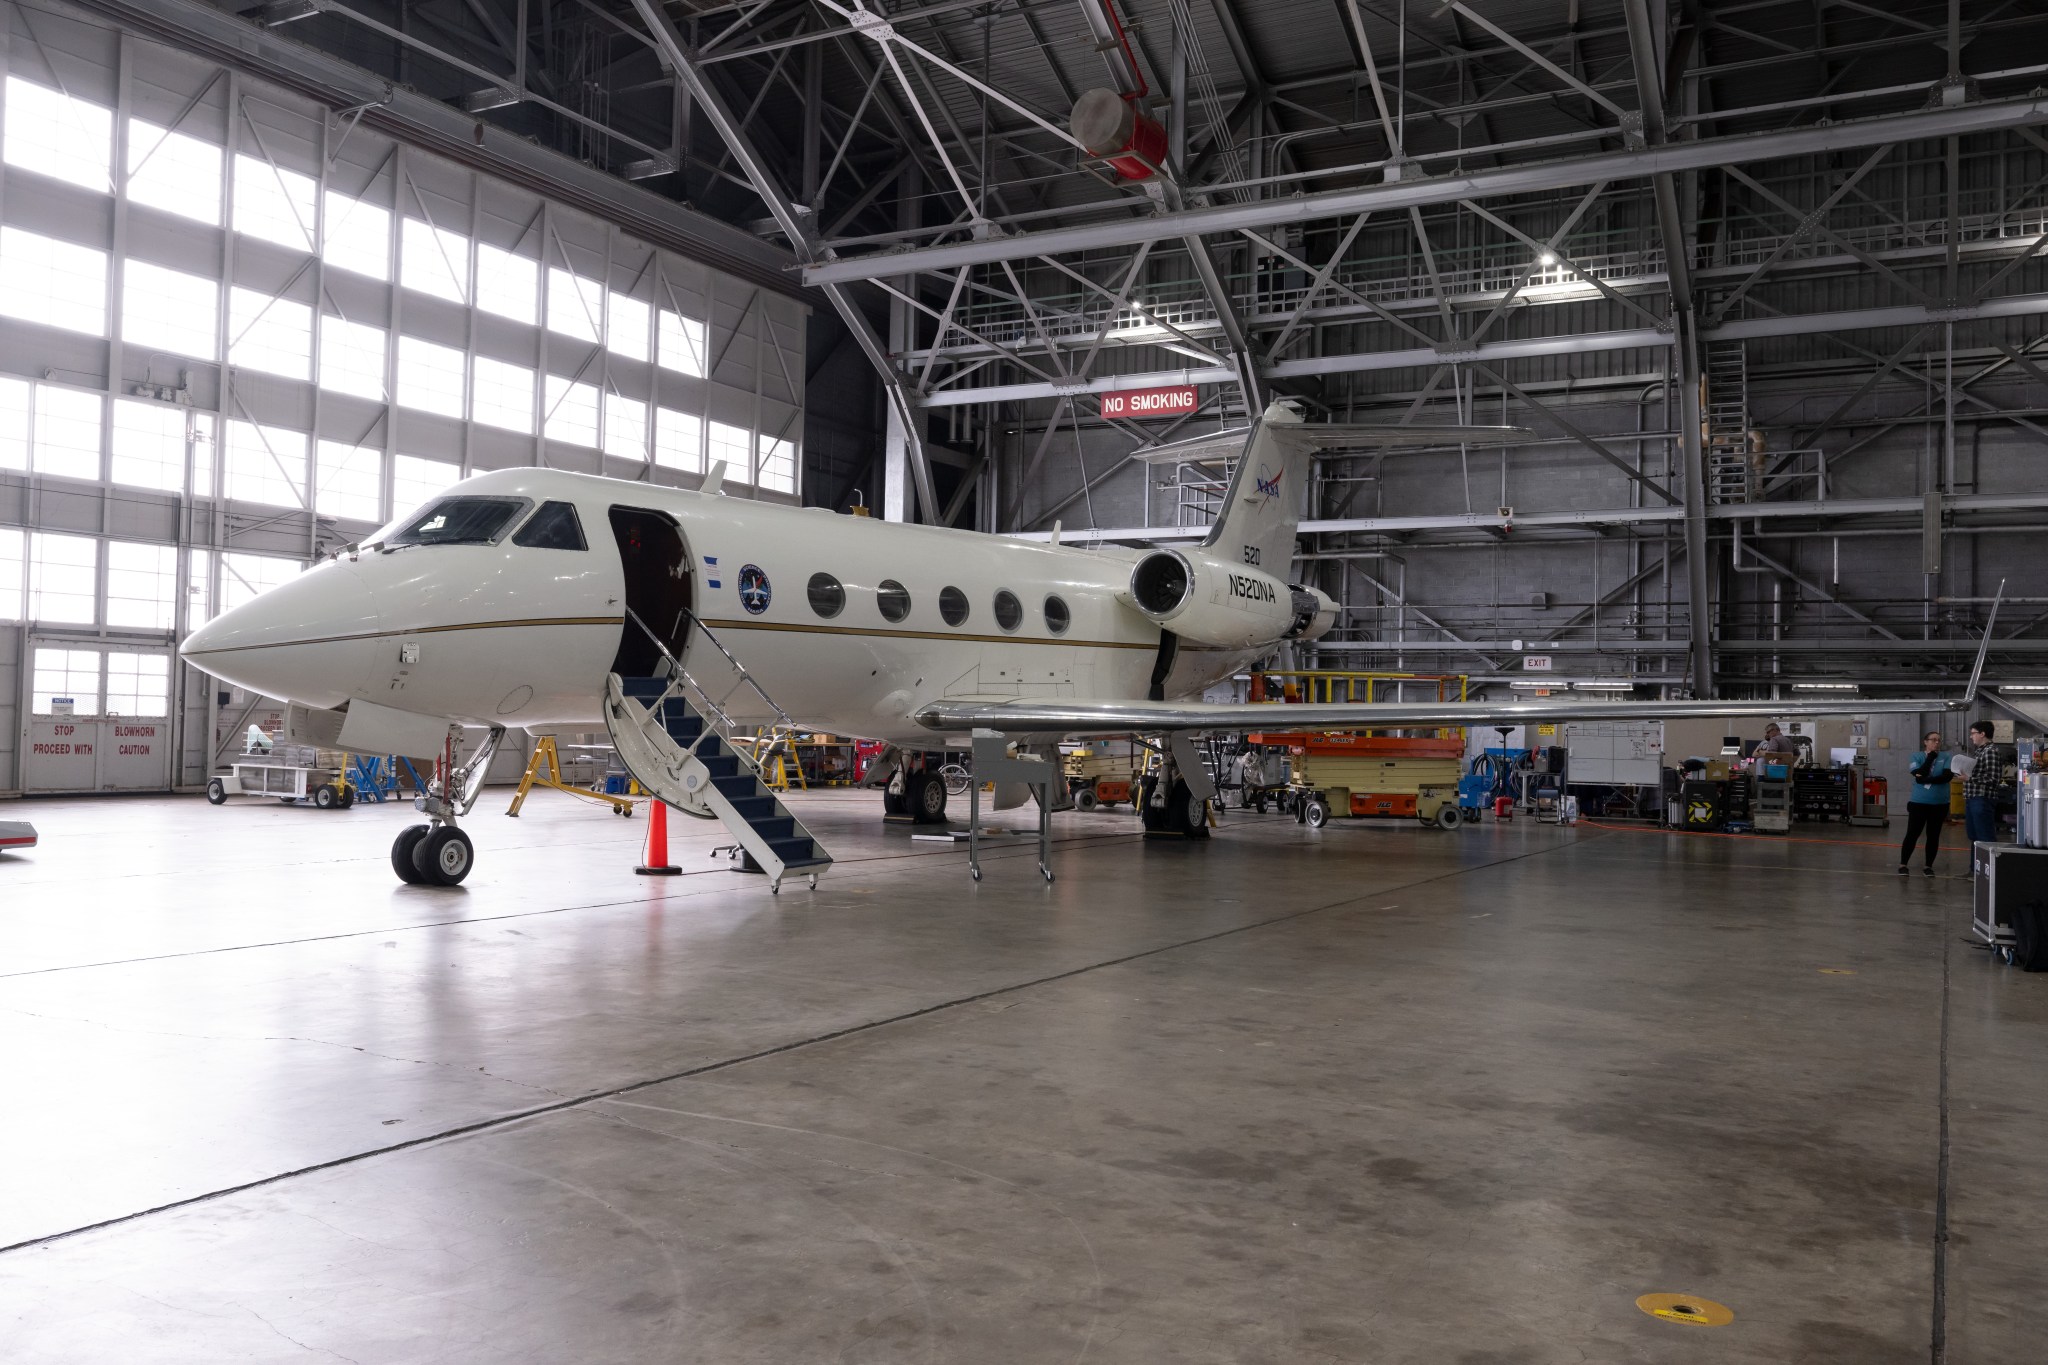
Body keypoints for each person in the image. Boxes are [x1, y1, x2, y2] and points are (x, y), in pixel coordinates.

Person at [1899, 730, 1955, 877]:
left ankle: (1928, 866)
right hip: (1919, 802)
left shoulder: (1946, 757)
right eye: (1933, 740)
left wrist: (1924, 779)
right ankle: (1903, 864)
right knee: (1913, 833)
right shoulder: (1916, 756)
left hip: (1940, 803)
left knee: (1933, 835)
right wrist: (1930, 757)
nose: (1937, 743)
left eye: (1938, 740)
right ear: (1926, 742)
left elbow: (1946, 777)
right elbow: (1918, 772)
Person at [1962, 720, 2001, 846]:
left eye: (1973, 733)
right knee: (1974, 837)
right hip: (1973, 797)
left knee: (1984, 837)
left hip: (1982, 799)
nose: (1971, 736)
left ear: (1982, 734)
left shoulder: (1990, 751)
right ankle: (1976, 866)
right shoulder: (1979, 751)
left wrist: (1969, 779)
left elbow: (1993, 778)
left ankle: (1988, 865)